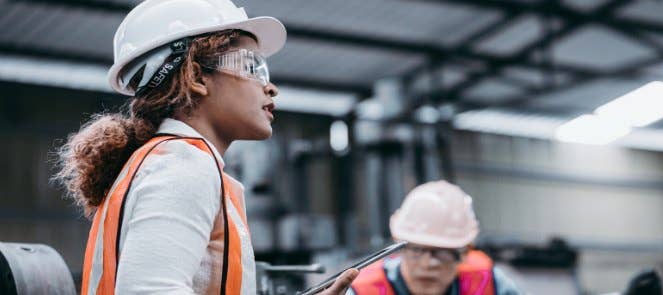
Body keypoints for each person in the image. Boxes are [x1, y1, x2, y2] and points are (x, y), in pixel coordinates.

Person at [54, 0, 357, 294]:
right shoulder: (182, 164)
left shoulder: (164, 161)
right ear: (197, 77)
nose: (270, 87)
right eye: (251, 67)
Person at [347, 181, 521, 295]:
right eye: (417, 249)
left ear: (466, 251)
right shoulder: (363, 291)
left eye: (442, 252)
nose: (428, 263)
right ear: (399, 247)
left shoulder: (491, 284)